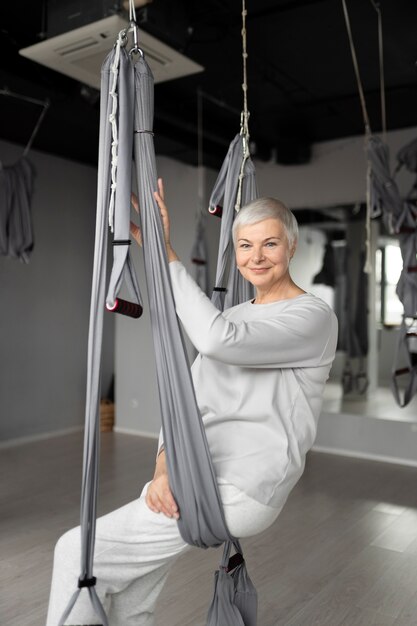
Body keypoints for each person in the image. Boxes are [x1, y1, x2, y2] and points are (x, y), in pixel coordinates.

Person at [46, 180, 338, 625]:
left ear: (291, 246)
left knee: (75, 551)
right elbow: (190, 398)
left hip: (239, 488)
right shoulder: (234, 318)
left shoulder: (312, 317)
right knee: (130, 588)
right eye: (245, 245)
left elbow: (218, 340)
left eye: (270, 243)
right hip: (197, 473)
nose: (256, 257)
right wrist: (164, 464)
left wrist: (165, 251)